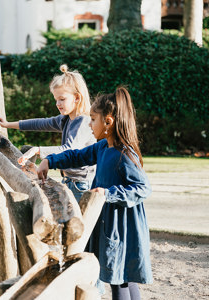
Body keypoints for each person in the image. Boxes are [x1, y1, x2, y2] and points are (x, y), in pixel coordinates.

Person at [37, 86, 152, 300]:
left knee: (120, 280)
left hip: (123, 227)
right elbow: (77, 156)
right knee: (121, 278)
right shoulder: (102, 147)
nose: (89, 125)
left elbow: (142, 188)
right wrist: (49, 160)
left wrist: (108, 193)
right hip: (109, 223)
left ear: (108, 122)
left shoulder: (124, 154)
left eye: (92, 119)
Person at [0, 64, 96, 201]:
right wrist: (7, 124)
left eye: (62, 99)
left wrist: (38, 150)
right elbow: (39, 123)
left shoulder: (83, 121)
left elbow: (69, 149)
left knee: (79, 222)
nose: (57, 104)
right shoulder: (66, 119)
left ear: (77, 98)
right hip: (70, 181)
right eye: (56, 100)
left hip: (82, 185)